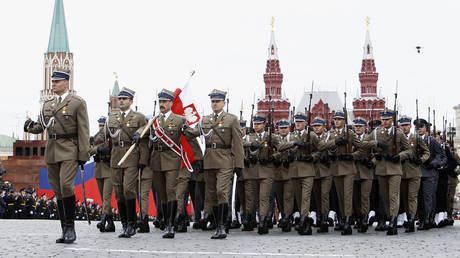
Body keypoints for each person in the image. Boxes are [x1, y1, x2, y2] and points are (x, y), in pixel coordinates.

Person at [25, 68, 90, 244]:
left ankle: (71, 228)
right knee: (58, 189)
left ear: (66, 83)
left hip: (69, 149)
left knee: (66, 185)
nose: (53, 84)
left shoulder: (77, 102)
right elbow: (41, 126)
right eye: (52, 81)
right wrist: (29, 126)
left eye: (57, 81)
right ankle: (64, 229)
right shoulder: (47, 105)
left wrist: (83, 153)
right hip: (52, 150)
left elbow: (84, 130)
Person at [189, 89, 244, 239]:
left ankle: (222, 226)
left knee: (221, 192)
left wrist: (239, 165)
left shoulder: (231, 119)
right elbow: (193, 133)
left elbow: (238, 144)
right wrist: (181, 124)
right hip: (209, 160)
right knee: (212, 194)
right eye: (212, 101)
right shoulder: (205, 120)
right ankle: (216, 222)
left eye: (217, 101)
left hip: (225, 160)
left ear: (223, 103)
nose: (214, 104)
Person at [106, 87, 149, 238]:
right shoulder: (112, 117)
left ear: (131, 101)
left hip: (131, 156)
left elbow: (145, 134)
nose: (121, 101)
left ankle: (132, 224)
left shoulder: (138, 117)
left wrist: (143, 159)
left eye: (125, 99)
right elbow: (106, 137)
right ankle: (124, 224)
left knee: (128, 189)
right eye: (120, 99)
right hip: (116, 157)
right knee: (118, 192)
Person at [364, 109, 411, 235]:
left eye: (387, 119)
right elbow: (364, 142)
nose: (384, 122)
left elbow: (408, 150)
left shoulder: (399, 133)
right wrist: (376, 143)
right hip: (381, 168)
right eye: (383, 119)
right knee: (385, 196)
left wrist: (400, 156)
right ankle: (390, 217)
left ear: (392, 120)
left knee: (393, 195)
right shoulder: (376, 132)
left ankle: (393, 222)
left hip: (395, 168)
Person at [398, 115, 429, 232]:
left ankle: (411, 220)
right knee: (405, 197)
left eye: (406, 125)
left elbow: (426, 152)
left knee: (412, 196)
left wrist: (421, 160)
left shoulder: (416, 138)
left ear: (410, 126)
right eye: (402, 125)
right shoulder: (397, 138)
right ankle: (408, 216)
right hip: (401, 171)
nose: (404, 128)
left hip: (414, 171)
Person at [415, 118, 446, 230]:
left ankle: (428, 219)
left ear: (425, 128)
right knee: (419, 197)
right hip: (417, 172)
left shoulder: (431, 140)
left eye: (421, 127)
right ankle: (422, 218)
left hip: (430, 173)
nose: (419, 129)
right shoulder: (413, 140)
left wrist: (433, 163)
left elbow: (442, 156)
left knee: (428, 197)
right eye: (417, 128)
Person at [90, 116, 115, 232]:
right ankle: (111, 223)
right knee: (103, 197)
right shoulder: (94, 138)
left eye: (103, 125)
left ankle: (103, 220)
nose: (101, 127)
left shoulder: (112, 138)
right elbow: (88, 150)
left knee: (106, 197)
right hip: (98, 169)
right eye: (100, 125)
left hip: (109, 169)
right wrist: (99, 149)